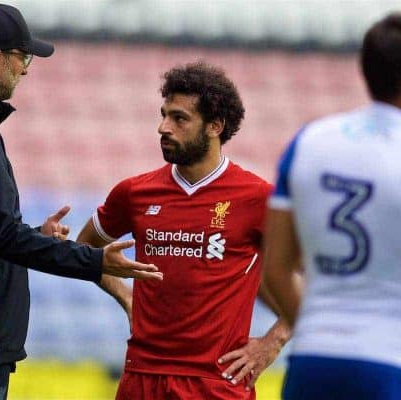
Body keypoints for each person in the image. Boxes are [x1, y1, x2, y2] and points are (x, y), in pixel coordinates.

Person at [0, 3, 162, 399]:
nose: (25, 69)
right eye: (22, 58)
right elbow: (4, 236)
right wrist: (95, 261)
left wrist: (37, 235)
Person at [76, 62, 291, 400]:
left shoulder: (258, 197)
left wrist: (271, 343)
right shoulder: (134, 193)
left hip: (216, 383)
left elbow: (318, 282)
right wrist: (126, 296)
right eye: (163, 115)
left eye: (179, 118)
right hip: (142, 377)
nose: (163, 127)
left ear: (215, 126)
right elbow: (83, 249)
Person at [263, 13, 401, 400]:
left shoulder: (310, 142)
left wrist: (319, 330)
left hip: (313, 361)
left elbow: (276, 268)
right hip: (395, 363)